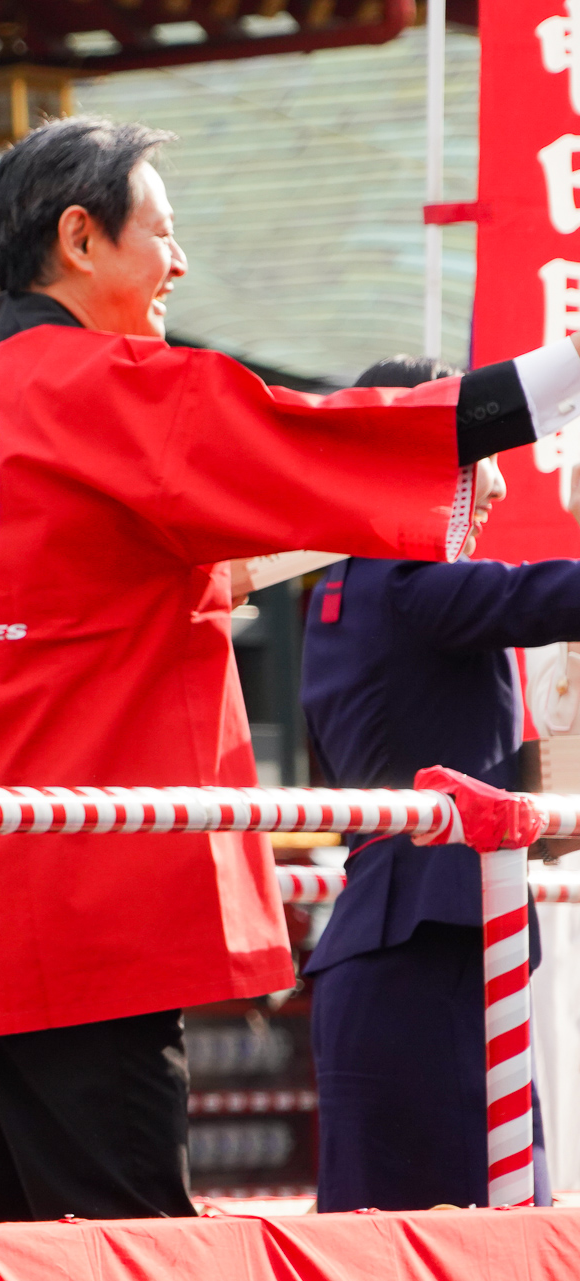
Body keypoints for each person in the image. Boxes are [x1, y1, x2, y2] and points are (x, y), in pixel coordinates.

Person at [0, 115, 580, 1223]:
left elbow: (55, 610)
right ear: (81, 238)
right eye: (167, 231)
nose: (182, 264)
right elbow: (329, 435)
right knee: (135, 1247)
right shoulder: (112, 389)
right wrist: (568, 369)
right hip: (80, 906)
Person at [302, 355, 575, 1211]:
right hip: (436, 951)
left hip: (388, 945)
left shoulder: (339, 591)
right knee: (480, 1232)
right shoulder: (409, 582)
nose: (496, 487)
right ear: (427, 458)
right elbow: (540, 596)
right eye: (484, 454)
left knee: (380, 1239)